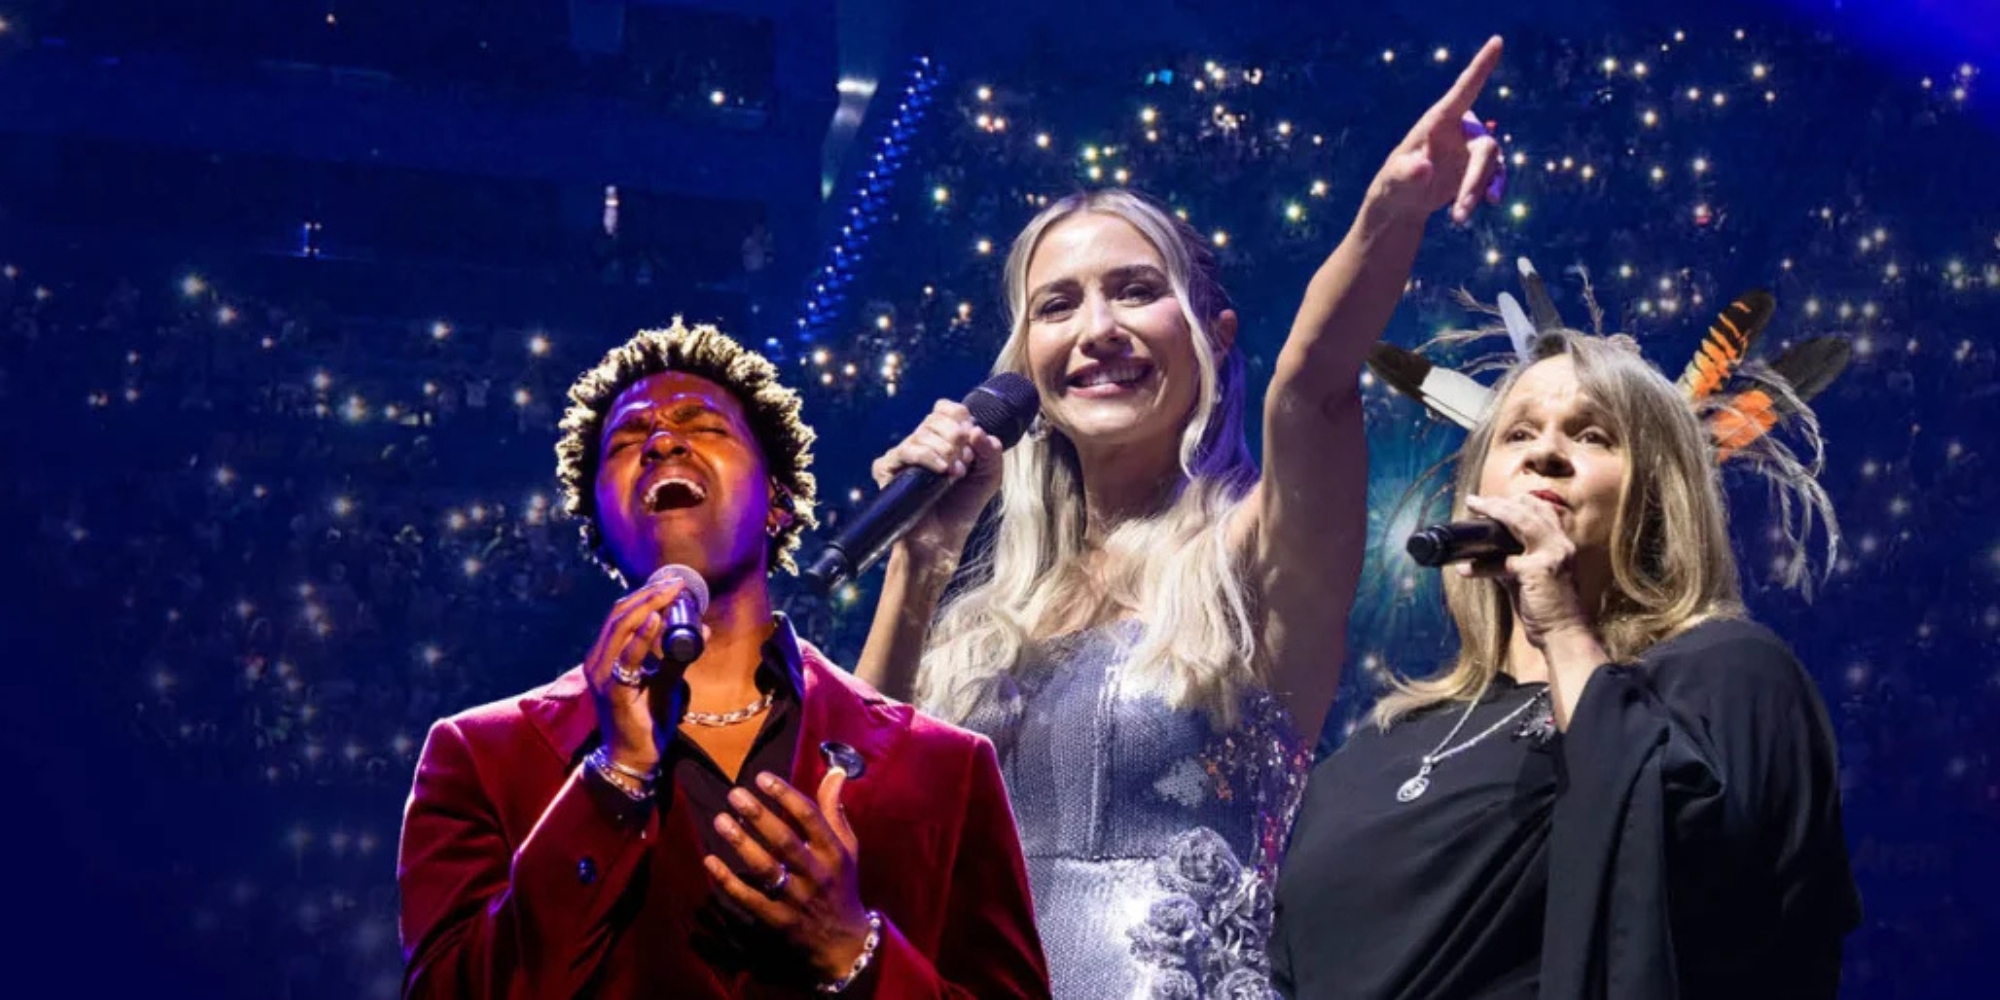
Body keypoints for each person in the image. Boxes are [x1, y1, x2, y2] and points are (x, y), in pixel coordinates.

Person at [855, 39, 1509, 999]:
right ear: (1025, 369)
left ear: (1213, 336)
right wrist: (919, 560)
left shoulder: (1254, 556)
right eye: (1057, 306)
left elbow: (1314, 389)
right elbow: (858, 817)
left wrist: (1393, 208)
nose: (1098, 330)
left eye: (1136, 290)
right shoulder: (978, 625)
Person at [396, 320, 1050, 998]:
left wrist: (853, 951)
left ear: (777, 503)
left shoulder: (945, 766)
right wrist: (610, 781)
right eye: (626, 441)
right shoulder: (479, 757)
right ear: (598, 525)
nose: (662, 441)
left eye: (704, 426)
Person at [1270, 310, 1862, 997]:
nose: (1545, 453)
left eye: (1592, 435)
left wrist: (1560, 625)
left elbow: (1698, 884)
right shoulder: (1372, 753)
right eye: (1518, 433)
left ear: (1659, 499)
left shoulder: (1729, 675)